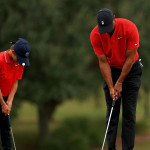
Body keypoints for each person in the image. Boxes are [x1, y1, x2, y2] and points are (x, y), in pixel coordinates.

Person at [90, 8, 142, 150]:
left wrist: (120, 82)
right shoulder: (95, 35)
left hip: (131, 70)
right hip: (111, 70)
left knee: (129, 114)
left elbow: (130, 58)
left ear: (114, 18)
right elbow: (103, 62)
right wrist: (112, 86)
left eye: (108, 27)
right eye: (103, 29)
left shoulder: (129, 28)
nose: (106, 32)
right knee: (112, 112)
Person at [0, 38, 31, 150]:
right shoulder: (0, 60)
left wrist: (9, 102)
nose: (20, 61)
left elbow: (15, 83)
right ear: (13, 52)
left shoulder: (19, 62)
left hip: (5, 97)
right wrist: (3, 104)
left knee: (6, 130)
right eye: (19, 58)